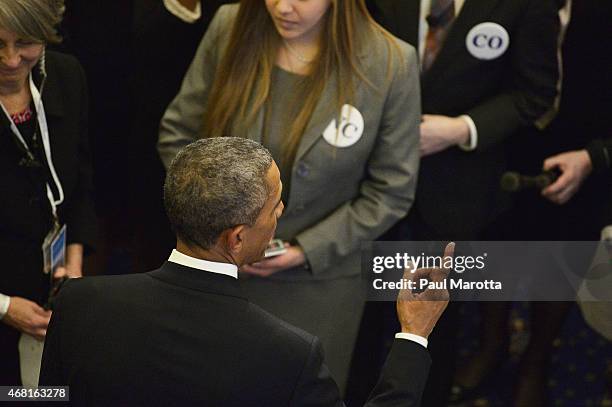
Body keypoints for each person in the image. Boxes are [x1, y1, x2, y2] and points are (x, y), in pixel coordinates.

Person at [40, 137, 452, 406]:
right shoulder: (289, 355)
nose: (281, 213)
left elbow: (45, 398)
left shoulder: (79, 302)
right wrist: (413, 335)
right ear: (236, 239)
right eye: (275, 207)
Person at [158, 0, 421, 392]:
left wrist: (305, 249)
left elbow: (391, 191)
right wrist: (214, 228)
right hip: (217, 263)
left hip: (318, 281)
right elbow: (178, 135)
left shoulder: (392, 62)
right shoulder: (232, 24)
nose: (282, 7)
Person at [363, 0, 561, 405]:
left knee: (437, 319)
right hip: (369, 174)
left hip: (458, 184)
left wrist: (461, 130)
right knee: (361, 304)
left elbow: (535, 92)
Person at [0, 0, 96, 386]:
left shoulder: (66, 75)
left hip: (49, 289)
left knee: (44, 393)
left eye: (25, 42)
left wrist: (72, 264)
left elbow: (82, 180)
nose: (10, 60)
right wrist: (3, 307)